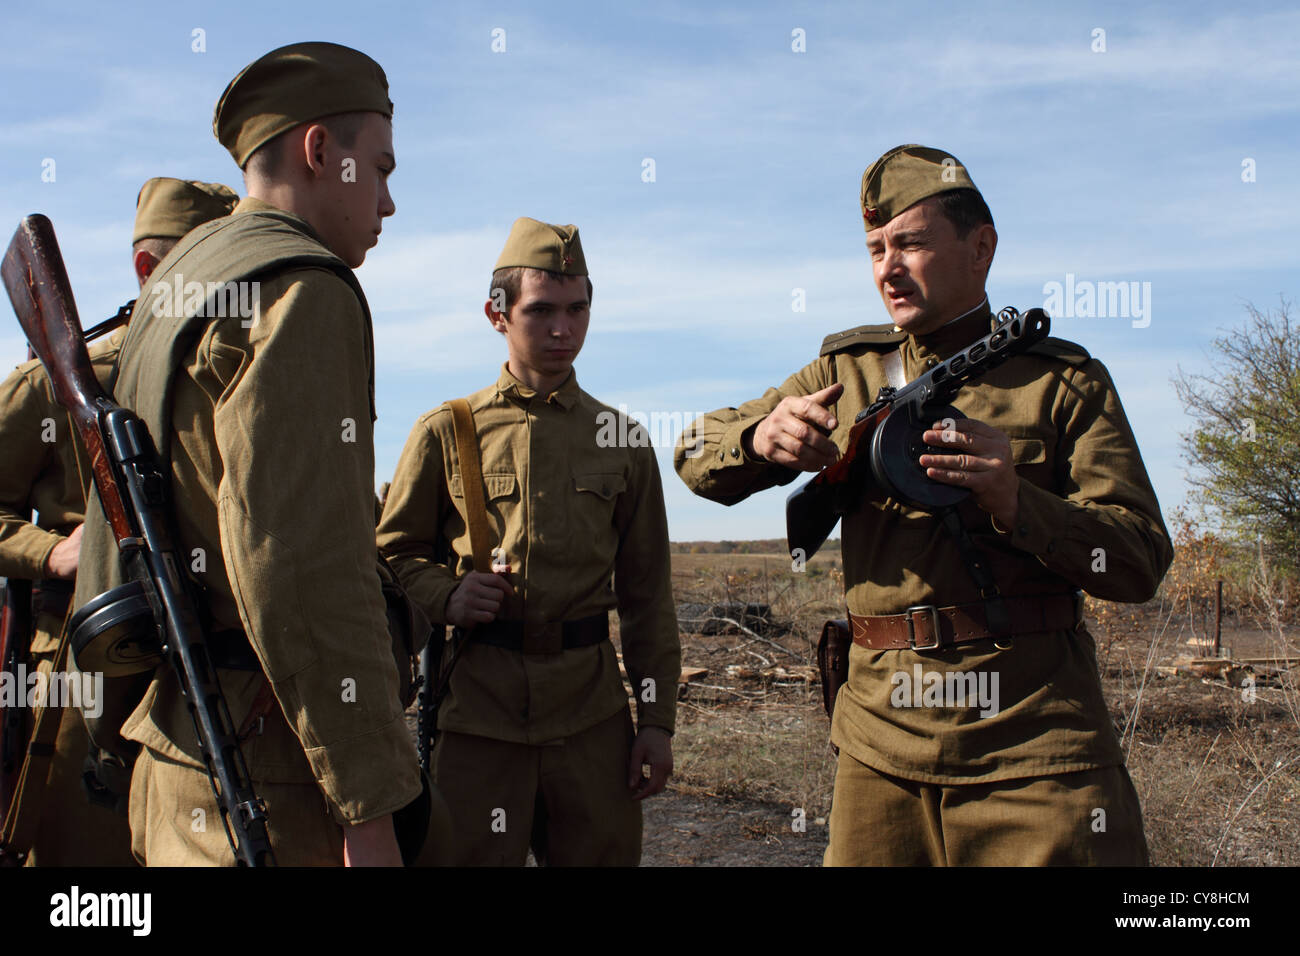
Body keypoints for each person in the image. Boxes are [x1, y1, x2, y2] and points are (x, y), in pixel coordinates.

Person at [674, 145, 1173, 866]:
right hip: (880, 747)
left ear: (981, 247)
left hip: (1034, 749)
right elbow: (693, 453)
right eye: (875, 248)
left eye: (909, 242)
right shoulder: (843, 372)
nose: (887, 267)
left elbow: (1138, 561)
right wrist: (759, 437)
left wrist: (1015, 499)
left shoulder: (1063, 382)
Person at [73, 42, 431, 866]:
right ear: (318, 152)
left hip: (177, 747)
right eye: (378, 168)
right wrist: (370, 806)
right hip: (272, 773)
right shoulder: (300, 292)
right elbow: (300, 564)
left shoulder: (183, 282)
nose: (387, 201)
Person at [378, 217, 680, 866]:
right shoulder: (445, 431)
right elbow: (392, 555)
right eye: (541, 311)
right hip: (480, 713)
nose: (563, 330)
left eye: (578, 310)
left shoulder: (621, 439)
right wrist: (449, 596)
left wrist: (655, 723)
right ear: (497, 314)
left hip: (591, 716)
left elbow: (648, 596)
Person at [0, 177, 236, 866]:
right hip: (83, 678)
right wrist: (48, 553)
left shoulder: (236, 377)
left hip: (208, 667)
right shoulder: (54, 383)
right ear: (148, 271)